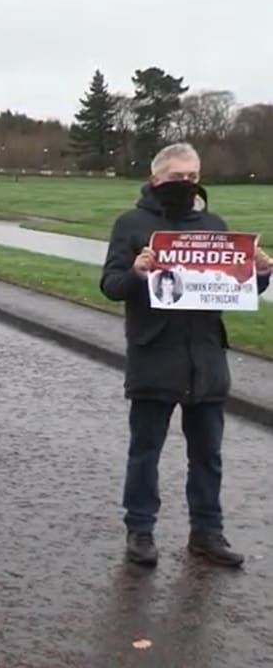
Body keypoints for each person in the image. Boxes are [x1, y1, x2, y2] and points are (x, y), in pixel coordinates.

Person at [100, 142, 272, 568]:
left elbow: (234, 289)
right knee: (146, 450)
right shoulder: (131, 224)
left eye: (193, 177)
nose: (187, 185)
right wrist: (138, 273)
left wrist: (262, 273)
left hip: (206, 356)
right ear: (155, 178)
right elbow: (110, 284)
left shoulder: (214, 225)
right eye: (178, 178)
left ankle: (207, 532)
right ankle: (140, 528)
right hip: (154, 352)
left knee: (208, 454)